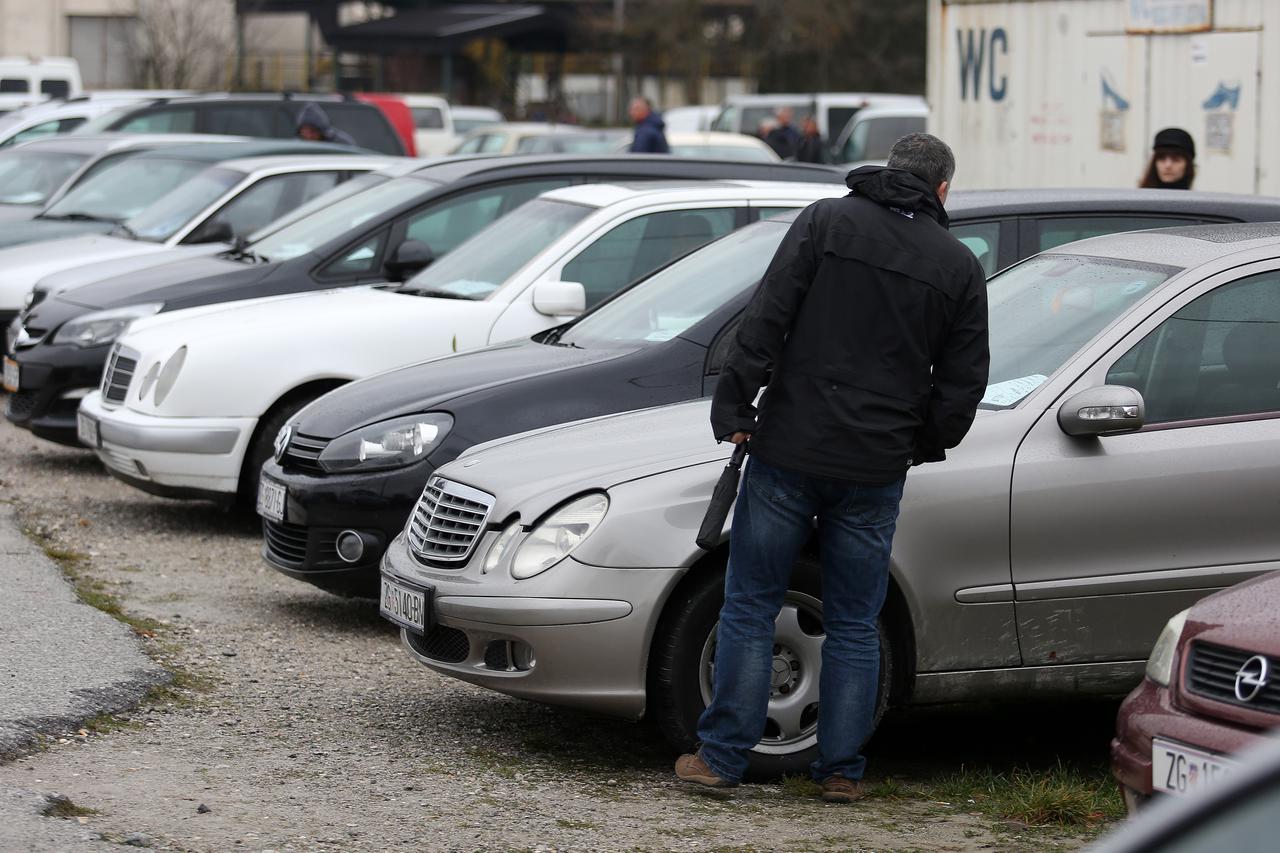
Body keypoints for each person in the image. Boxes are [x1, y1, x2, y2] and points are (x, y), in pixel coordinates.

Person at [675, 133, 989, 802]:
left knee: (752, 602)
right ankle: (841, 770)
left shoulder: (826, 221)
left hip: (789, 446)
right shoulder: (959, 265)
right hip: (875, 465)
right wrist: (915, 441)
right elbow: (962, 386)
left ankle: (722, 757)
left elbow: (767, 316)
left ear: (888, 172)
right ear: (941, 191)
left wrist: (734, 402)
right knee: (854, 618)